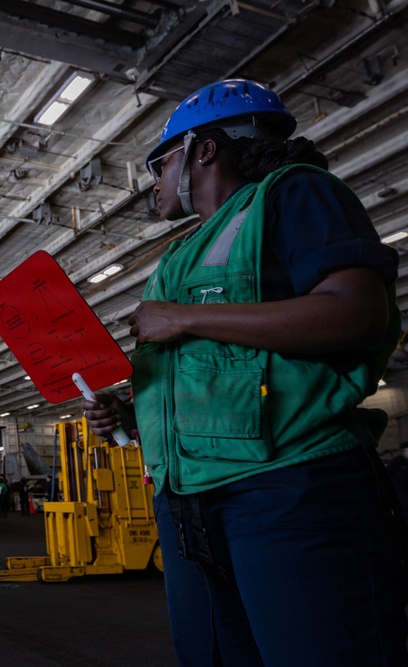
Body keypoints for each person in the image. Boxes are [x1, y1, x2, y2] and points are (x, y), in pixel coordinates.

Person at [81, 78, 406, 665]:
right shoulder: (181, 253)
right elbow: (217, 368)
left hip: (288, 493)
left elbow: (356, 312)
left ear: (204, 149)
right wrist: (130, 410)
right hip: (188, 504)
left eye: (161, 162)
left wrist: (182, 319)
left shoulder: (295, 194)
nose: (155, 182)